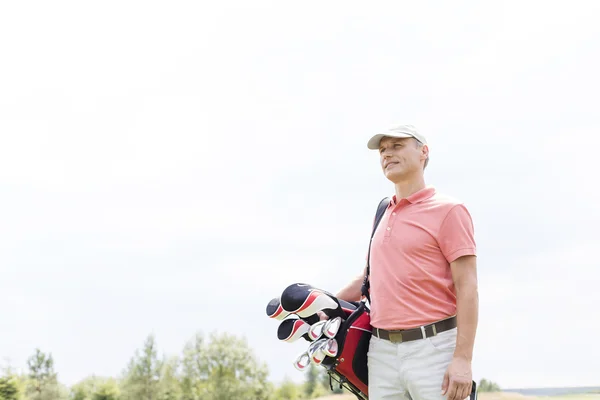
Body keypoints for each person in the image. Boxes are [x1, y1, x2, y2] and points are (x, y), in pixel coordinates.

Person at [334, 125, 479, 400]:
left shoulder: (449, 210)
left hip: (435, 349)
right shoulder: (382, 213)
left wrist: (463, 359)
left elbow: (468, 287)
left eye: (397, 146)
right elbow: (369, 278)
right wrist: (326, 304)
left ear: (423, 152)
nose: (387, 154)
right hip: (381, 352)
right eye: (382, 150)